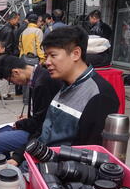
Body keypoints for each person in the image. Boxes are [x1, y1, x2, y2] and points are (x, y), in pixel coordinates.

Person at [8, 26, 119, 166]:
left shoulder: (99, 95)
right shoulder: (62, 84)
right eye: (46, 56)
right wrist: (18, 157)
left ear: (76, 54)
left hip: (56, 175)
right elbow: (43, 131)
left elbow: (87, 158)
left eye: (53, 55)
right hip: (36, 162)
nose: (46, 62)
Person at [0, 55, 63, 158]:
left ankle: (5, 170)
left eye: (10, 81)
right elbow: (40, 115)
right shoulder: (37, 77)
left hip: (40, 134)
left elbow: (41, 123)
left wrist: (21, 124)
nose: (13, 83)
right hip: (35, 127)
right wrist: (27, 119)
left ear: (16, 72)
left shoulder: (42, 83)